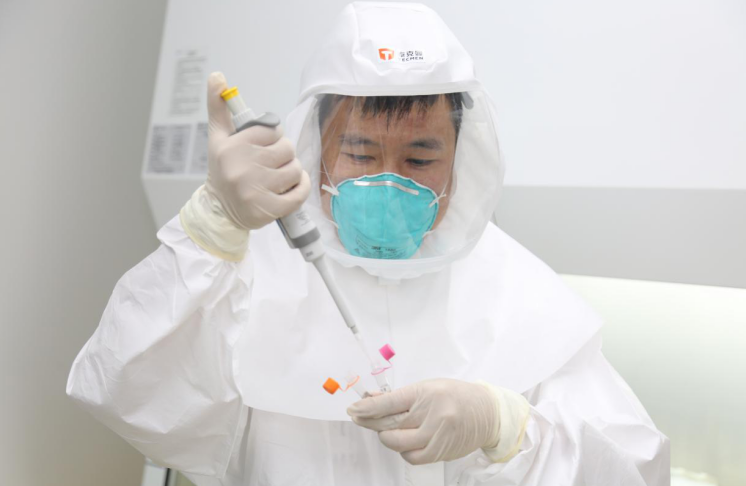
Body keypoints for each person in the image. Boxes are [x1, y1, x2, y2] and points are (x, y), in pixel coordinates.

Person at [67, 3, 669, 485]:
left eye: (420, 158)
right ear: (316, 150)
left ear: (460, 161)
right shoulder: (246, 271)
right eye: (359, 153)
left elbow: (636, 469)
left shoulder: (517, 291)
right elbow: (123, 392)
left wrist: (507, 426)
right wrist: (210, 225)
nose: (387, 182)